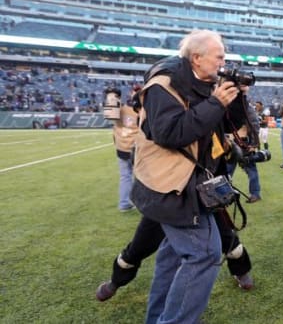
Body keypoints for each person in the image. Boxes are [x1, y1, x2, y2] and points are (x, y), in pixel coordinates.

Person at [129, 30, 251, 323]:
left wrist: (234, 99)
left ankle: (157, 317)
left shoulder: (203, 84)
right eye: (219, 56)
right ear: (197, 58)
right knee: (204, 254)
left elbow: (233, 129)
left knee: (172, 259)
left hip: (187, 186)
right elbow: (170, 134)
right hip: (169, 186)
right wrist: (216, 103)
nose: (224, 62)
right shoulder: (164, 85)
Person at [95, 211, 254, 302]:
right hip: (166, 195)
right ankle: (116, 281)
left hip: (203, 192)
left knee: (228, 239)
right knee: (139, 246)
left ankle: (241, 271)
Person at [111, 84, 141, 212]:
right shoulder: (142, 110)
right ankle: (136, 202)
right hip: (135, 149)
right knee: (140, 177)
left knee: (126, 176)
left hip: (123, 147)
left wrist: (112, 97)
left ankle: (125, 203)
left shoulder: (122, 109)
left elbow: (111, 112)